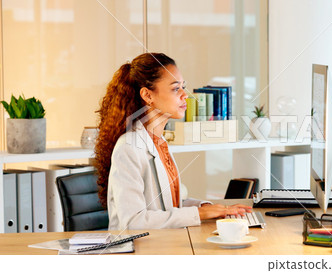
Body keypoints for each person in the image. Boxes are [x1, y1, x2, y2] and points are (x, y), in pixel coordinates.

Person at [94, 53, 251, 230]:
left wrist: (207, 208)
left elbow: (167, 205)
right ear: (147, 95)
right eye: (176, 89)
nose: (186, 95)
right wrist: (200, 214)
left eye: (183, 87)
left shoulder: (159, 142)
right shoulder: (129, 147)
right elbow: (132, 222)